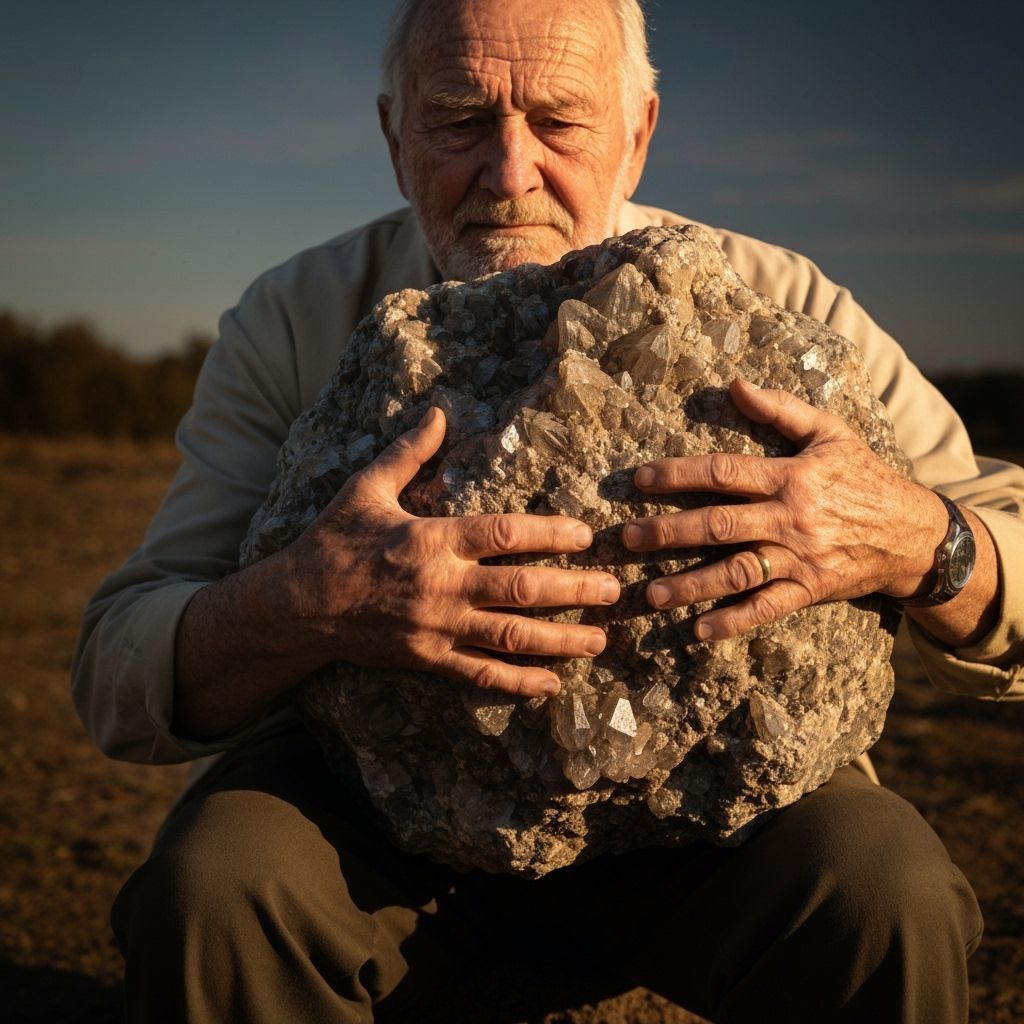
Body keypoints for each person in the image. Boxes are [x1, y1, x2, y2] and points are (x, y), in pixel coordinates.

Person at [72, 1, 1024, 1021]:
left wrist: (918, 538)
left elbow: (996, 530)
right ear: (394, 138)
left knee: (882, 890)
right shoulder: (294, 316)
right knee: (217, 884)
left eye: (559, 121)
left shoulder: (775, 303)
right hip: (370, 814)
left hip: (712, 805)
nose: (509, 172)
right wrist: (305, 602)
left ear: (638, 134)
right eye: (458, 120)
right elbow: (118, 668)